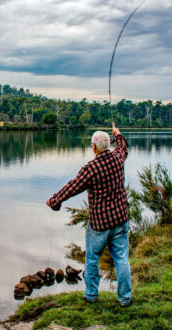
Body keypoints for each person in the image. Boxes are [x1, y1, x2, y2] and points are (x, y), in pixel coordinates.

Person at [46, 123, 131, 307]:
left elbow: (72, 187)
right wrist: (118, 134)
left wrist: (55, 201)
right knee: (122, 259)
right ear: (107, 145)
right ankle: (125, 298)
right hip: (120, 220)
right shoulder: (118, 158)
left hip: (99, 225)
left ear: (94, 147)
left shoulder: (91, 168)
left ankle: (91, 295)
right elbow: (123, 147)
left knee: (92, 259)